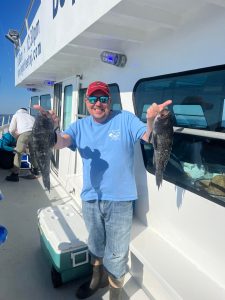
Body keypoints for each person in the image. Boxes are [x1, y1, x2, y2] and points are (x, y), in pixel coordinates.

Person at [34, 81, 172, 300]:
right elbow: (60, 142)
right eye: (93, 99)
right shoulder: (80, 126)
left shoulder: (125, 119)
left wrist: (151, 120)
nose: (98, 103)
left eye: (103, 99)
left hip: (120, 201)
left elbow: (148, 136)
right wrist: (52, 129)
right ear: (87, 102)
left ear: (110, 101)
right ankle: (96, 280)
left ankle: (114, 295)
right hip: (90, 198)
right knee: (96, 244)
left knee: (117, 253)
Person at [5, 108, 39, 182]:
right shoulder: (31, 116)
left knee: (18, 153)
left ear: (18, 111)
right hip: (35, 134)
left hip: (24, 134)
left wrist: (16, 137)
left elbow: (11, 130)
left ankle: (15, 175)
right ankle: (36, 170)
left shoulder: (16, 115)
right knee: (33, 153)